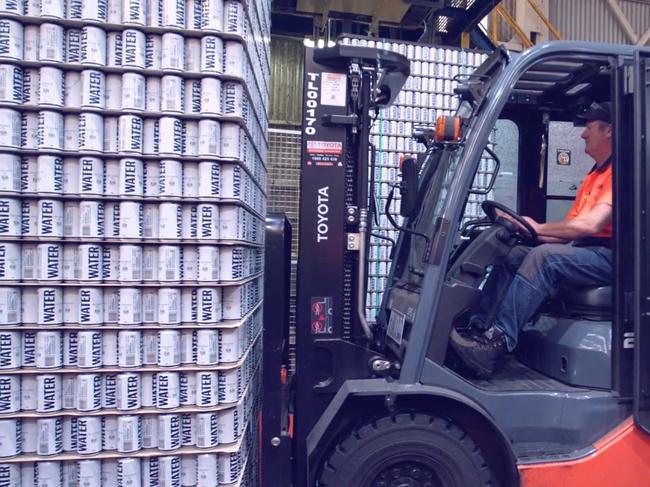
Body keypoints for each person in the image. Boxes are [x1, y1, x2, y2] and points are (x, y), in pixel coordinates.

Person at [450, 101, 614, 378]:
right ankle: (478, 329)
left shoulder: (619, 172)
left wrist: (538, 229)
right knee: (514, 253)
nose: (583, 135)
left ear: (608, 130)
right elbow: (572, 229)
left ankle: (496, 343)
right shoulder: (594, 174)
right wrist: (525, 228)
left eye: (588, 128)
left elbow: (589, 225)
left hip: (612, 258)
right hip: (588, 251)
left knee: (544, 257)